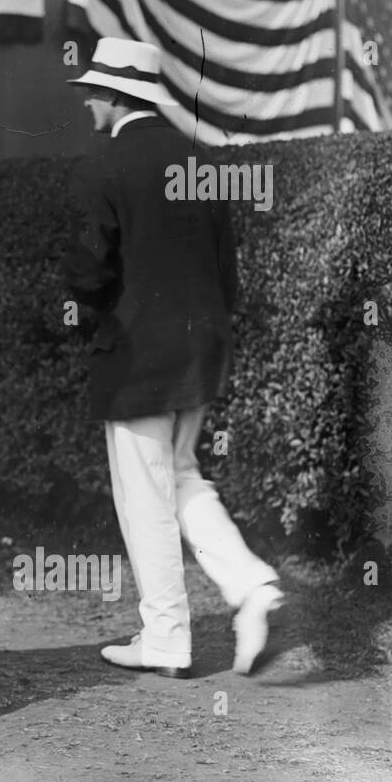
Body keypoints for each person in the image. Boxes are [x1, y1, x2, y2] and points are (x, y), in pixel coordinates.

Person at [62, 37, 284, 677]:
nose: (87, 103)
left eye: (92, 92)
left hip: (137, 355)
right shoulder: (200, 159)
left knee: (144, 497)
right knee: (181, 474)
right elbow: (225, 273)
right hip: (202, 347)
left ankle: (165, 637)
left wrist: (97, 323)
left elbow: (85, 273)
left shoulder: (101, 166)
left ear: (111, 96)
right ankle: (250, 585)